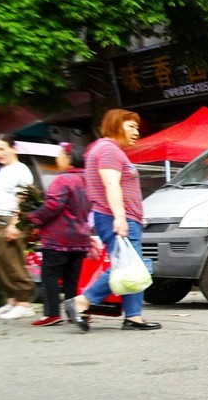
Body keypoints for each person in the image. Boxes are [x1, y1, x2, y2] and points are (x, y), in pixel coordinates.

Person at [64, 109, 162, 331]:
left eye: (137, 127)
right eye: (131, 126)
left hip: (121, 216)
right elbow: (111, 184)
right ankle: (82, 302)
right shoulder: (108, 149)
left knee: (129, 265)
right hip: (115, 216)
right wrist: (120, 217)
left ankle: (133, 316)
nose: (136, 132)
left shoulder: (106, 149)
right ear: (116, 125)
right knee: (129, 266)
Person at [26, 143, 91, 327]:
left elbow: (53, 206)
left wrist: (33, 217)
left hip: (59, 237)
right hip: (81, 237)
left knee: (50, 274)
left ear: (69, 159)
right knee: (72, 278)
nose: (57, 159)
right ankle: (74, 312)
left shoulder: (63, 180)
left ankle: (52, 313)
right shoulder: (88, 180)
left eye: (60, 155)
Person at [0, 133, 37, 320]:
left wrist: (15, 224)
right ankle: (12, 301)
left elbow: (23, 199)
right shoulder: (3, 170)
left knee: (12, 261)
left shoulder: (21, 170)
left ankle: (24, 303)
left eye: (2, 149)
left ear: (13, 148)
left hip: (9, 219)